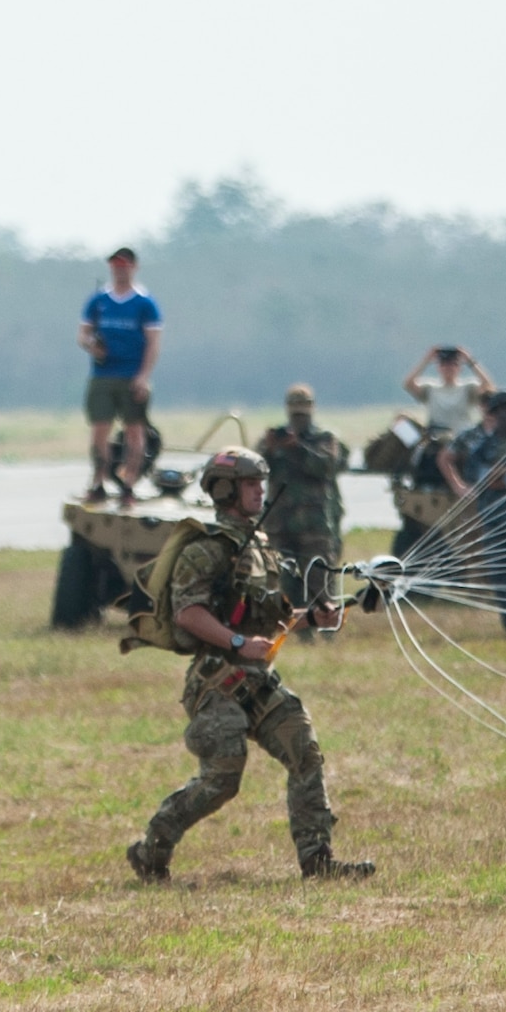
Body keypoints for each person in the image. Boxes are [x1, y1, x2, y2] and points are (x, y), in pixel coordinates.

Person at [126, 448, 373, 883]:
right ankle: (151, 850)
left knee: (305, 754)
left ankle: (317, 861)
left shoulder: (258, 546)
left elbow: (267, 616)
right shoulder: (205, 548)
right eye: (250, 484)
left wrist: (314, 618)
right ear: (225, 490)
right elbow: (188, 613)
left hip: (258, 679)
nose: (260, 491)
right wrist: (237, 641)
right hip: (216, 681)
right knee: (223, 776)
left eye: (261, 483)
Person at [443, 390, 506, 635]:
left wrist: (499, 476)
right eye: (500, 411)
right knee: (500, 570)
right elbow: (474, 472)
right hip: (493, 517)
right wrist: (499, 473)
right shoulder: (485, 444)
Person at [76, 247, 162, 503]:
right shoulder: (98, 301)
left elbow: (153, 343)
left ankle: (129, 484)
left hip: (132, 375)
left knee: (134, 430)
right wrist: (92, 345)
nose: (119, 270)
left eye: (124, 265)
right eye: (115, 266)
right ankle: (98, 481)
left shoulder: (144, 303)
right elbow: (82, 334)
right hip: (103, 374)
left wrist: (143, 376)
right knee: (99, 429)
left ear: (134, 267)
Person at [257, 385, 349, 621]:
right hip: (280, 523)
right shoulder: (276, 438)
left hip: (315, 524)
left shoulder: (324, 438)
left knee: (319, 579)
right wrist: (269, 448)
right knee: (283, 579)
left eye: (303, 412)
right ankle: (290, 626)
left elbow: (326, 466)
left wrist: (297, 447)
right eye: (295, 412)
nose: (299, 418)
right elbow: (255, 470)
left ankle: (326, 629)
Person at [403, 345, 495, 438]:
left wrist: (470, 361)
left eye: (453, 364)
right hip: (436, 438)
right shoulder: (430, 388)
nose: (448, 368)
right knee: (402, 419)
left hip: (461, 439)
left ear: (459, 368)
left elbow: (488, 386)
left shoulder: (468, 388)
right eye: (444, 365)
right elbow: (408, 384)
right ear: (438, 368)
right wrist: (426, 360)